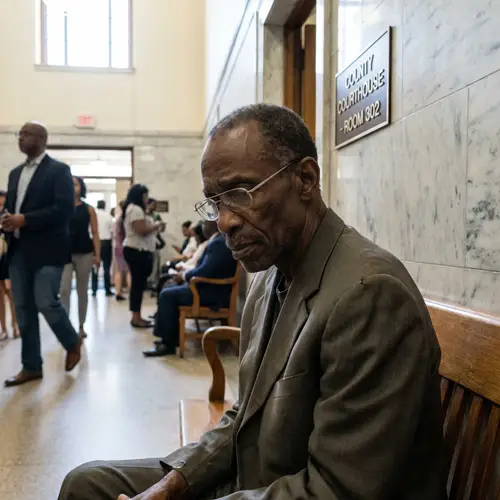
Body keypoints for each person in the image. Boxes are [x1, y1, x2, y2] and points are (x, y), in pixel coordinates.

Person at [59, 104, 445, 499]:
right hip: (263, 478)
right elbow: (244, 417)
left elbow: (337, 489)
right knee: (87, 484)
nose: (224, 221)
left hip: (311, 489)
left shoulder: (370, 294)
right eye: (215, 202)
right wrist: (174, 483)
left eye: (240, 193)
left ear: (305, 179)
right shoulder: (268, 277)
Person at [4, 122, 82, 387]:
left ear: (42, 139)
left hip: (48, 250)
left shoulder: (59, 171)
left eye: (26, 134)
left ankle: (72, 342)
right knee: (24, 310)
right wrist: (8, 220)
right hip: (18, 250)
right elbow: (15, 208)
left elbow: (63, 210)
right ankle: (31, 366)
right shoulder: (15, 174)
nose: (21, 138)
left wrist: (25, 219)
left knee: (47, 302)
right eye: (20, 134)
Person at [144, 220, 236, 357]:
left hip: (210, 293)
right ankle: (168, 338)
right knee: (169, 287)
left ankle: (168, 344)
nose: (202, 227)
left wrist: (185, 276)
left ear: (213, 225)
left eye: (205, 223)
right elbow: (204, 269)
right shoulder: (217, 240)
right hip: (207, 288)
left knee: (167, 295)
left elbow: (205, 270)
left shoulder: (219, 243)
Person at [60, 177, 100, 338]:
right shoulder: (61, 208)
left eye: (75, 184)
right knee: (64, 290)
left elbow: (96, 233)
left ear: (80, 187)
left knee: (83, 290)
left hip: (85, 252)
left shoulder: (89, 209)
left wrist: (97, 255)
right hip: (65, 253)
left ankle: (82, 325)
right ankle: (65, 326)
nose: (73, 187)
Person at [122, 184, 165, 328]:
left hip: (140, 250)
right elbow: (141, 230)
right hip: (137, 250)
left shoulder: (139, 209)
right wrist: (157, 225)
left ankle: (137, 315)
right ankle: (136, 317)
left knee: (139, 285)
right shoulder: (135, 209)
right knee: (137, 286)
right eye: (145, 196)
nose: (147, 199)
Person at [0, 190, 19, 341]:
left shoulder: (10, 215)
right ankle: (3, 328)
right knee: (0, 296)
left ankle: (15, 325)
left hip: (8, 258)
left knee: (11, 293)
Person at [91, 199, 114, 297]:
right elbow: (112, 231)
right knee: (107, 267)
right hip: (106, 242)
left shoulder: (93, 215)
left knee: (95, 267)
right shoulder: (108, 216)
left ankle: (94, 290)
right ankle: (107, 289)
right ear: (104, 206)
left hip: (94, 242)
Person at [113, 200, 131, 302]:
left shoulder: (119, 218)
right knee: (129, 271)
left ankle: (118, 292)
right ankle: (131, 292)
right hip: (127, 246)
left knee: (119, 271)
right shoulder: (128, 219)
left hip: (118, 246)